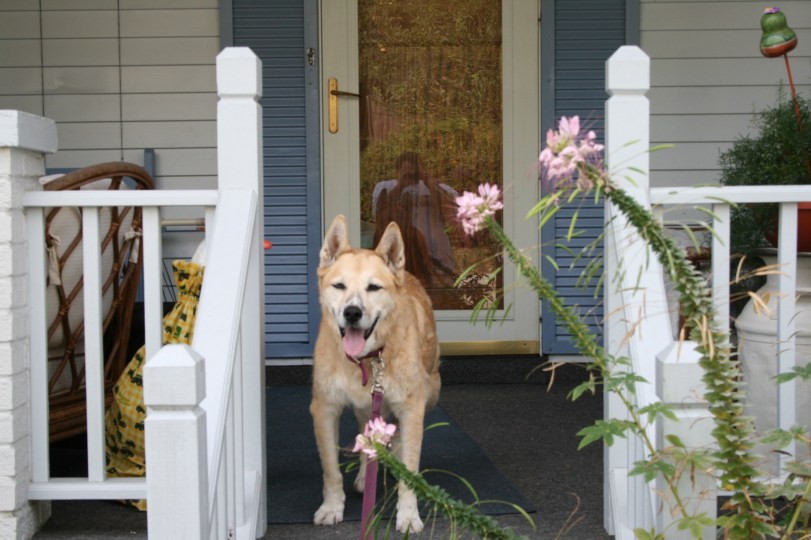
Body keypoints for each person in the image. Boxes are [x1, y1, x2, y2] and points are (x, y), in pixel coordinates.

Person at [372, 152, 457, 289]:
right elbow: (378, 215)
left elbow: (454, 216)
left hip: (437, 258)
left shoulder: (440, 188)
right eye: (405, 171)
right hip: (397, 261)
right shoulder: (384, 188)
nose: (411, 175)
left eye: (415, 171)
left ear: (423, 170)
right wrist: (400, 187)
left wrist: (430, 186)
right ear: (397, 172)